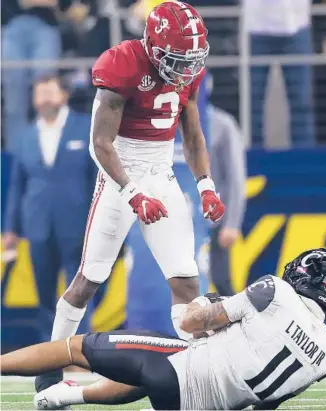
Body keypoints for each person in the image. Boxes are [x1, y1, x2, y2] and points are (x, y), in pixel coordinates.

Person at [34, 0, 225, 393]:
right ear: (153, 46)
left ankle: (194, 373)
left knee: (186, 281)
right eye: (177, 58)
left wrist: (205, 185)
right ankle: (49, 366)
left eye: (193, 58)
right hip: (119, 174)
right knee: (89, 279)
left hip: (162, 173)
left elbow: (192, 136)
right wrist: (134, 194)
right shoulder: (122, 64)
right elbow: (100, 145)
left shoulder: (185, 70)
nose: (187, 67)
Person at [1, 248, 326, 410]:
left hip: (179, 373)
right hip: (201, 404)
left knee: (75, 348)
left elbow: (189, 323)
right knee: (149, 369)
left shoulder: (277, 291)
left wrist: (203, 303)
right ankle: (65, 396)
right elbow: (268, 403)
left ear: (300, 276)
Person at [3, 74, 95, 341]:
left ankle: (81, 347)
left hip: (77, 224)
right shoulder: (25, 137)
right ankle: (50, 353)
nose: (44, 97)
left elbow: (96, 179)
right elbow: (17, 187)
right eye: (39, 93)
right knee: (44, 293)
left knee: (79, 290)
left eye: (49, 91)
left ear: (63, 95)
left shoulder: (84, 127)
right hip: (37, 225)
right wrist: (11, 228)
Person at [244, 0, 315, 146]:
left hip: (297, 22)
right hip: (255, 25)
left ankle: (305, 161)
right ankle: (252, 161)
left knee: (301, 101)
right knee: (251, 102)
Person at [2, 0, 63, 153]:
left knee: (47, 93)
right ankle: (16, 158)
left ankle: (47, 153)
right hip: (12, 25)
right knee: (14, 97)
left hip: (46, 25)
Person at [208, 74, 247, 296]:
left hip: (214, 220)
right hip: (181, 219)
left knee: (221, 280)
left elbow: (235, 178)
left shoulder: (222, 124)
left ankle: (236, 330)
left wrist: (232, 223)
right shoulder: (170, 121)